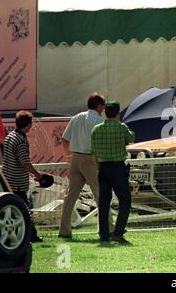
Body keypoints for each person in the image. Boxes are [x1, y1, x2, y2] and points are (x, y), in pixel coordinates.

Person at [59, 92, 113, 238]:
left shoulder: (76, 117)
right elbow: (99, 144)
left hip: (75, 157)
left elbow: (64, 140)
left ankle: (64, 230)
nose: (103, 109)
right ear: (99, 106)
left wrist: (68, 156)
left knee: (70, 196)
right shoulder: (98, 121)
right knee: (100, 194)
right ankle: (106, 228)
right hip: (89, 158)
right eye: (102, 106)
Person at [91, 101, 134, 244]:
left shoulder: (96, 129)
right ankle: (118, 232)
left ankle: (104, 235)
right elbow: (131, 138)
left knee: (103, 203)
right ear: (118, 113)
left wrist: (98, 166)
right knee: (125, 201)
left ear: (105, 112)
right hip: (118, 168)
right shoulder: (122, 127)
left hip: (103, 168)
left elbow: (93, 151)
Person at [2, 111, 44, 243]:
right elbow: (25, 163)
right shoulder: (21, 140)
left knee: (13, 211)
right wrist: (38, 176)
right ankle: (32, 236)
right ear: (28, 124)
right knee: (25, 211)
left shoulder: (10, 136)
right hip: (18, 182)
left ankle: (25, 235)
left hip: (8, 179)